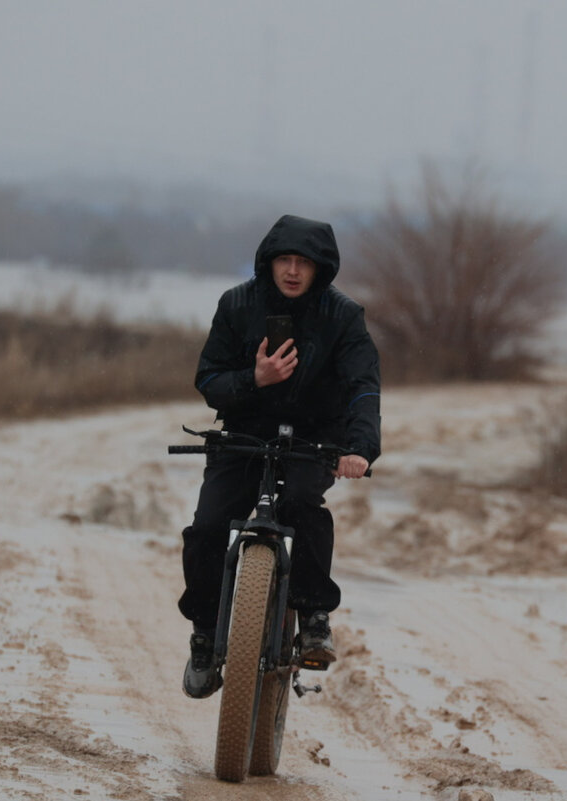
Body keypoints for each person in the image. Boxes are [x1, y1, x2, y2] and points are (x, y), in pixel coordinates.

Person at [179, 214, 381, 699]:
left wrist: (358, 448)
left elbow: (361, 388)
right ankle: (205, 635)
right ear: (269, 263)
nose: (292, 271)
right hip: (244, 436)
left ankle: (313, 615)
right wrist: (256, 379)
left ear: (320, 269)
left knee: (302, 507)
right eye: (284, 260)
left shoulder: (344, 317)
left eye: (303, 263)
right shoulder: (236, 305)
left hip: (314, 442)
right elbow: (209, 381)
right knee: (208, 526)